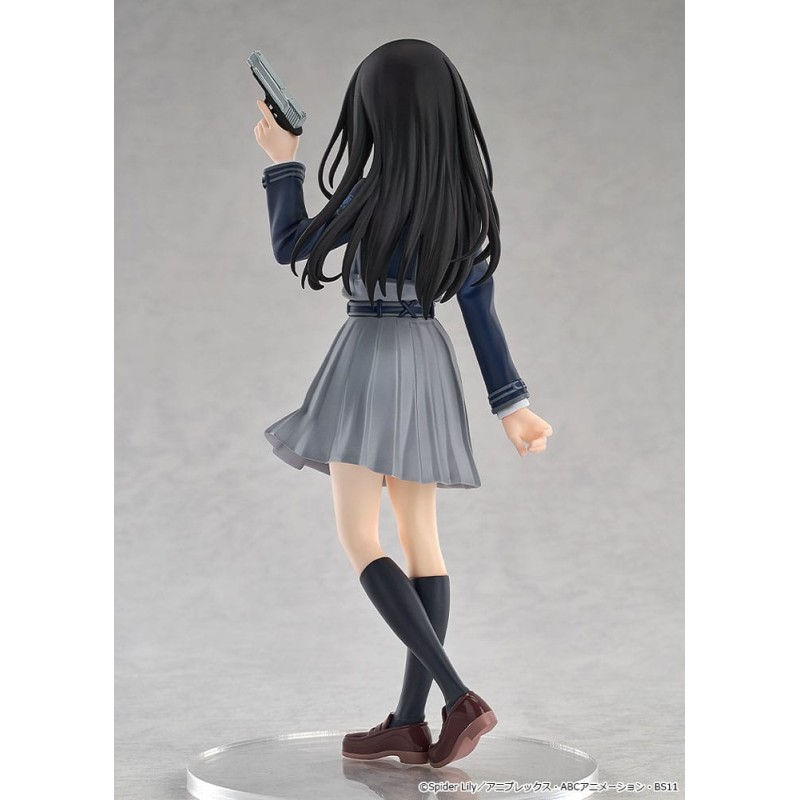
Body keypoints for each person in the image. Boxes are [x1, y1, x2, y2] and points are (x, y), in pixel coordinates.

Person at [253, 38, 553, 769]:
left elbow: (291, 244)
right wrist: (512, 405)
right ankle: (408, 723)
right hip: (427, 363)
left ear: (372, 115)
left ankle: (457, 696)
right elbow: (480, 315)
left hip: (367, 359)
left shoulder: (367, 196)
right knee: (422, 540)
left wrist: (283, 158)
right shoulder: (464, 209)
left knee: (360, 535)